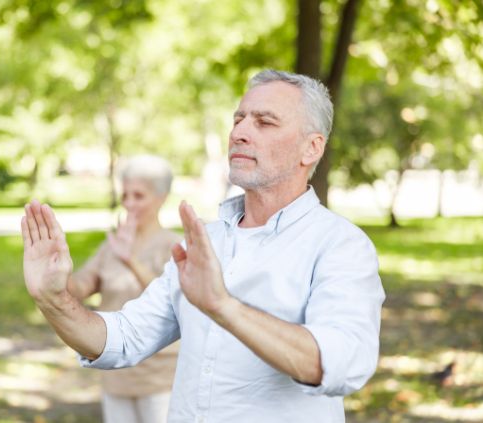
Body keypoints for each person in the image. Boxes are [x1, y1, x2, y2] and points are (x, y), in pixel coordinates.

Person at [21, 69, 385, 423]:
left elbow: (340, 363)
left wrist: (223, 306)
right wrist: (53, 300)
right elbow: (123, 339)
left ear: (311, 148)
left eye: (264, 122)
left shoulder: (341, 246)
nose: (239, 132)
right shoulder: (206, 240)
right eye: (238, 119)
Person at [67, 155, 181, 423]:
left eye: (138, 196)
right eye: (125, 196)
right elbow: (80, 287)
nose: (129, 204)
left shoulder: (174, 245)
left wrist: (131, 259)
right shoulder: (111, 247)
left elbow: (172, 299)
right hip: (116, 377)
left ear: (161, 197)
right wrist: (55, 272)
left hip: (161, 379)